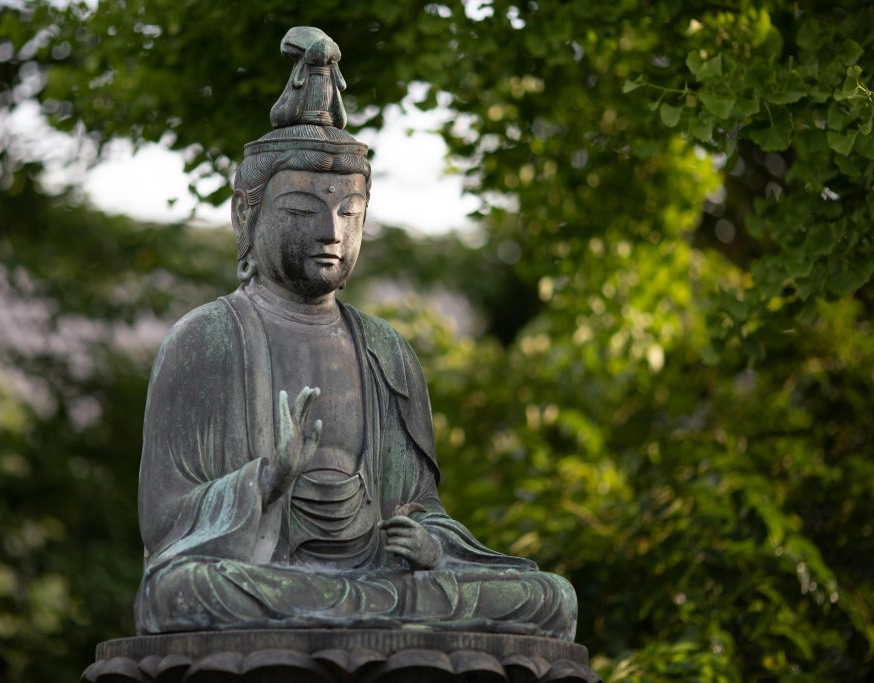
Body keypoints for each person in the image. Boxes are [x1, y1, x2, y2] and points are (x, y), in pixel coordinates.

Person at [133, 26, 578, 639]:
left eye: (348, 213)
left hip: (381, 580)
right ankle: (352, 615)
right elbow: (165, 527)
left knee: (550, 598)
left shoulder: (386, 350)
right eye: (300, 211)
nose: (329, 233)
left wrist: (429, 543)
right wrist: (266, 478)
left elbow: (420, 506)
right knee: (179, 593)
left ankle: (354, 612)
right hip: (265, 576)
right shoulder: (207, 340)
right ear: (247, 214)